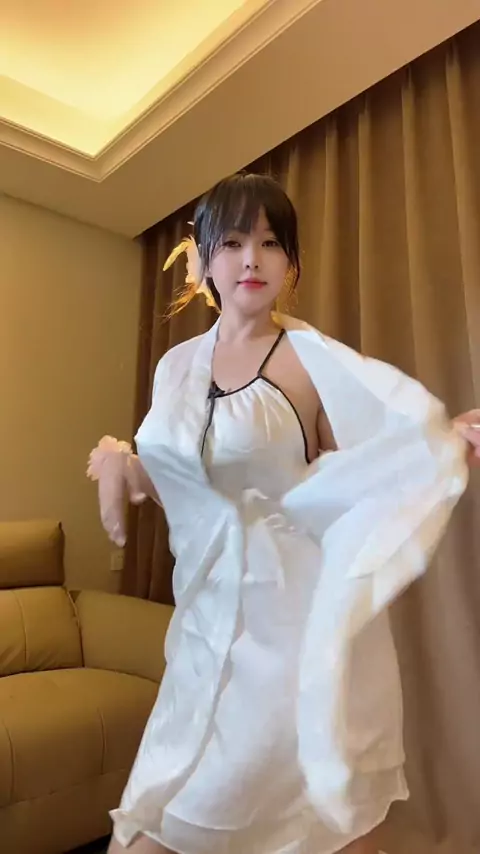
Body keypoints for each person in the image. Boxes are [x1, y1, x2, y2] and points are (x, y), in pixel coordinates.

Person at [88, 173, 480, 854]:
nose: (252, 259)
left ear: (291, 263)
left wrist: (441, 446)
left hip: (289, 622)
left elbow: (365, 467)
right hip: (205, 621)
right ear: (205, 259)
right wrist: (121, 462)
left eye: (271, 244)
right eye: (235, 242)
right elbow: (178, 477)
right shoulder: (175, 367)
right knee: (167, 813)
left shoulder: (309, 359)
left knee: (302, 813)